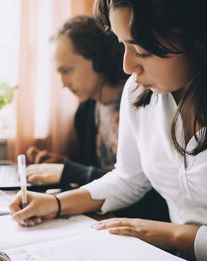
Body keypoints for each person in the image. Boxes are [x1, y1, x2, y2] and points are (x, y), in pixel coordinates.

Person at [10, 0, 207, 260]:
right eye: (122, 44)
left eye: (142, 50)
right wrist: (55, 204)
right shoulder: (139, 92)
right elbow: (128, 179)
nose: (127, 67)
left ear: (203, 40)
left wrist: (174, 235)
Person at [25, 15, 169, 220]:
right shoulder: (86, 112)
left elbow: (143, 190)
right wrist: (65, 163)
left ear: (98, 60)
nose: (63, 83)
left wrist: (69, 172)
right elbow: (102, 172)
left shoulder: (144, 103)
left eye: (67, 71)